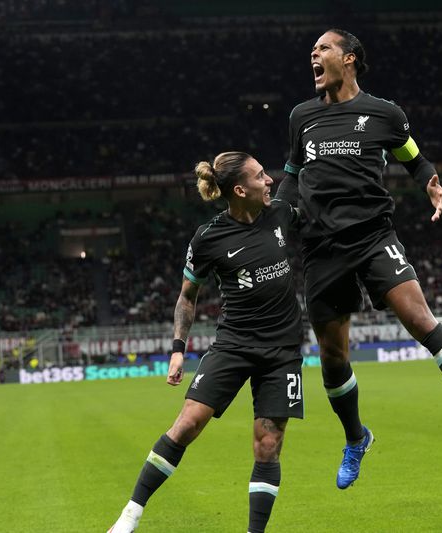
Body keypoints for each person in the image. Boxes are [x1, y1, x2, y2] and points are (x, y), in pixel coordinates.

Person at [275, 29, 442, 490]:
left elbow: (415, 159)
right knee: (332, 354)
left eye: (323, 48)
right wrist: (278, 219)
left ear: (348, 59)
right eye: (313, 50)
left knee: (421, 319)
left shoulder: (385, 114)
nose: (314, 54)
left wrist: (430, 180)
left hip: (372, 236)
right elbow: (290, 176)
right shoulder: (301, 116)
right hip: (322, 247)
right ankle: (355, 437)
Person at [109, 152, 304, 533]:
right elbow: (187, 296)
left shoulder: (281, 215)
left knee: (268, 444)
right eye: (261, 176)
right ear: (239, 189)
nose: (269, 182)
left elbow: (316, 210)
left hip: (282, 352)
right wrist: (178, 349)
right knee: (186, 425)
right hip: (233, 344)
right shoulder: (209, 238)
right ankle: (130, 515)